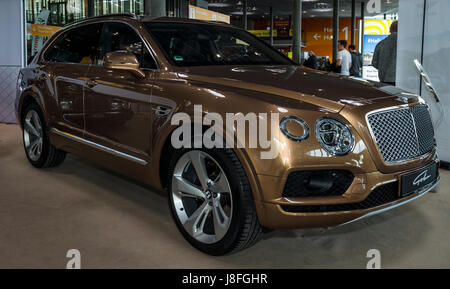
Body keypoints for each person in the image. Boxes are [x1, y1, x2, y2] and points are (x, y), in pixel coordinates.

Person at [372, 21, 398, 86]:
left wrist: (383, 68)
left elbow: (374, 63)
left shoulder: (380, 44)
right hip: (400, 80)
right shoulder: (404, 44)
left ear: (390, 30)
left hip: (383, 79)